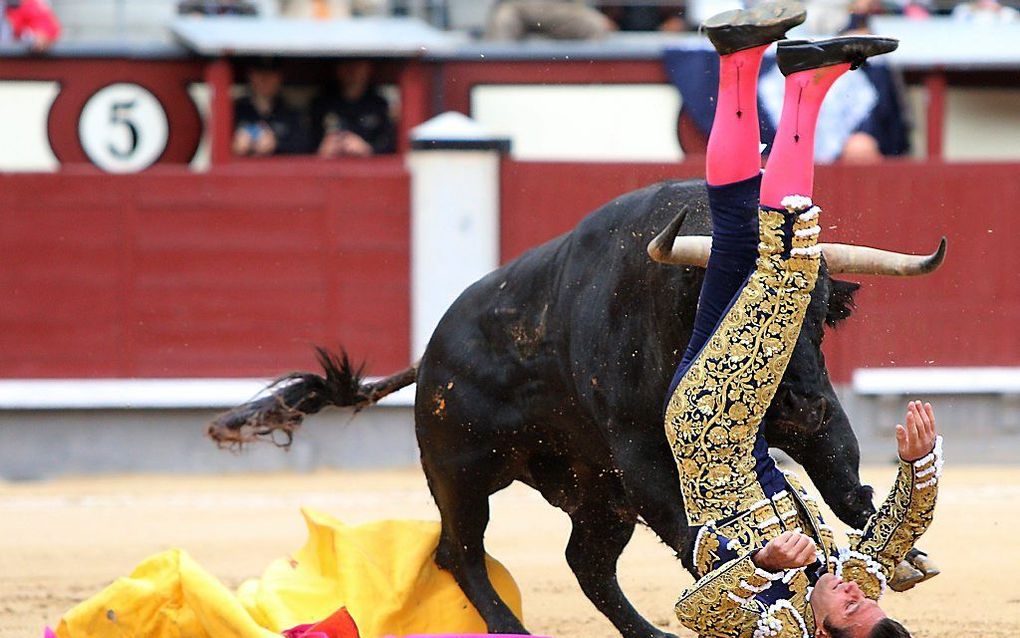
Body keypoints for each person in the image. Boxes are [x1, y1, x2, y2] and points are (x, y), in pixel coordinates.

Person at [663, 3, 943, 637]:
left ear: (822, 634)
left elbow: (694, 613)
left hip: (713, 427)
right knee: (736, 235)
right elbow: (893, 539)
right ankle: (740, 64)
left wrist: (758, 566)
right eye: (866, 600)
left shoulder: (778, 625)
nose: (852, 590)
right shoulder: (846, 584)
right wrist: (917, 467)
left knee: (791, 260)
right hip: (736, 417)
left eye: (849, 606)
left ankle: (804, 92)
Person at [311, 60, 396, 158]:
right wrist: (321, 151)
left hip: (367, 170)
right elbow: (300, 149)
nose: (352, 70)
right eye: (346, 64)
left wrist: (367, 150)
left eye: (358, 64)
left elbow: (392, 148)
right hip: (327, 170)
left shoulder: (380, 106)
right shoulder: (321, 105)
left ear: (368, 68)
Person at [233, 59, 309, 157]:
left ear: (280, 77)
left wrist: (276, 145)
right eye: (259, 73)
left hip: (280, 171)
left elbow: (305, 149)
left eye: (271, 74)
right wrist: (234, 146)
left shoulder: (291, 114)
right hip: (241, 170)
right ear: (250, 75)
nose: (265, 78)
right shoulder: (235, 110)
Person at [485, 0, 614, 41]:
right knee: (503, 19)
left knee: (596, 25)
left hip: (560, 7)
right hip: (517, 6)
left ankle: (585, 84)